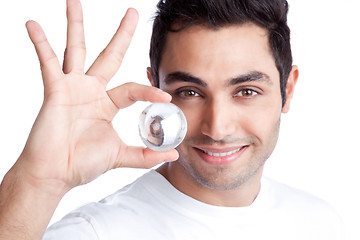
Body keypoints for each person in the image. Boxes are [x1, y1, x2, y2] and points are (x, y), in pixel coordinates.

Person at [0, 0, 345, 239]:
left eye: (246, 91)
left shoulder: (320, 223)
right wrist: (37, 183)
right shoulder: (95, 233)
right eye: (190, 92)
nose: (217, 128)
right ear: (154, 89)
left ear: (288, 89)